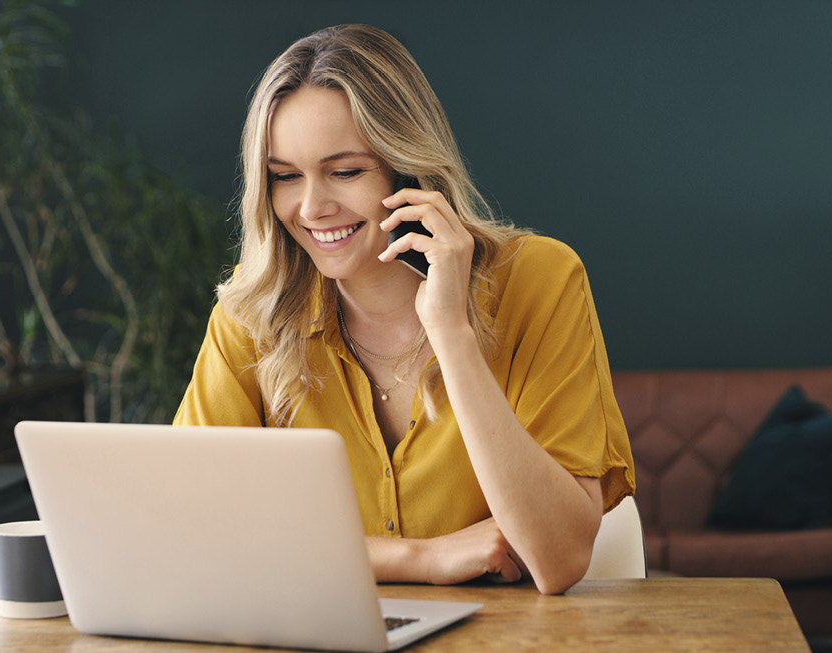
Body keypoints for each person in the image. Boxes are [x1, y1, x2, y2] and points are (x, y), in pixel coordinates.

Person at [174, 24, 634, 595]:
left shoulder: (542, 281)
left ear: (409, 170)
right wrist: (417, 558)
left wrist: (452, 333)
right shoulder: (254, 309)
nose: (312, 207)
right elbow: (190, 531)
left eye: (345, 171)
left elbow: (558, 558)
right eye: (285, 177)